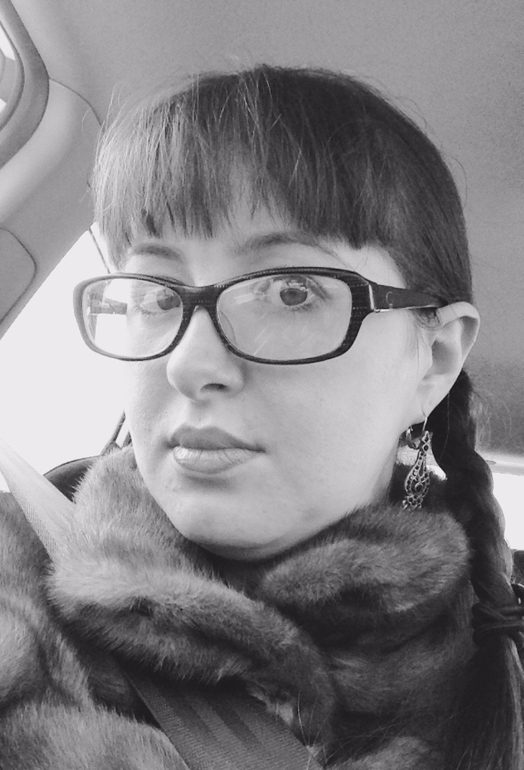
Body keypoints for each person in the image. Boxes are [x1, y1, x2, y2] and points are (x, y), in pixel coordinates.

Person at [0, 64, 522, 770]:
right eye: (157, 295)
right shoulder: (17, 573)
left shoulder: (497, 683)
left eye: (290, 291)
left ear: (432, 359)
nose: (188, 363)